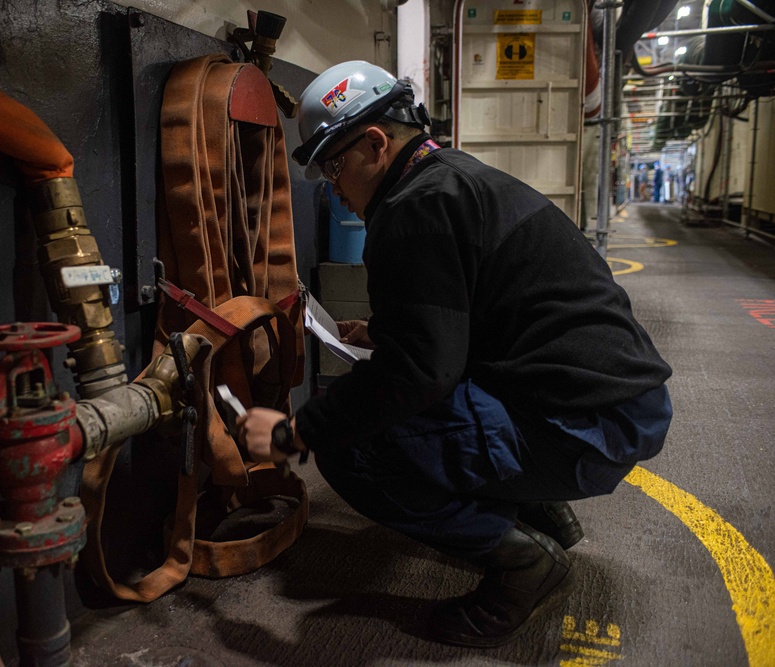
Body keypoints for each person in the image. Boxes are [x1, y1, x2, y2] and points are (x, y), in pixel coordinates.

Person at [236, 61, 672, 648]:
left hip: (584, 426)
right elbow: (477, 314)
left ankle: (523, 563)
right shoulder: (453, 179)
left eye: (334, 166)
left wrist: (296, 432)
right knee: (398, 405)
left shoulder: (413, 209)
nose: (333, 186)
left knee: (350, 446)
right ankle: (542, 514)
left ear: (374, 143)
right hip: (619, 403)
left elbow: (420, 375)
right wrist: (387, 332)